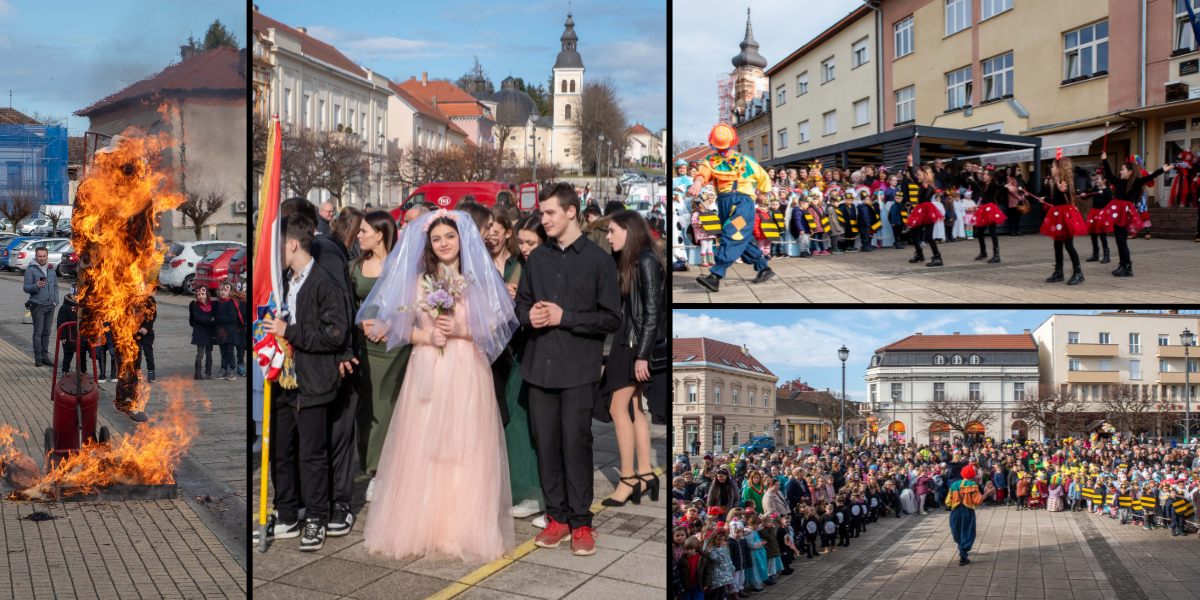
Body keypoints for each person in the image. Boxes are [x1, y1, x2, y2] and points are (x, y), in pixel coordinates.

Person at [356, 209, 518, 563]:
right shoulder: (416, 282)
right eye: (437, 239)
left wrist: (459, 330)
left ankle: (461, 525)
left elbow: (494, 331)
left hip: (466, 368)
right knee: (424, 442)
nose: (444, 243)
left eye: (450, 237)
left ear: (462, 239)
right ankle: (425, 522)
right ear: (428, 244)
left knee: (465, 444)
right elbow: (400, 330)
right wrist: (428, 334)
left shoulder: (477, 280)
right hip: (428, 365)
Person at [516, 183, 621, 556]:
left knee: (576, 446)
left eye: (550, 213)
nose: (543, 220)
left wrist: (566, 318)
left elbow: (611, 318)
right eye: (541, 213)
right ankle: (557, 518)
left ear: (572, 211)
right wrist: (527, 315)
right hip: (538, 368)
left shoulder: (599, 260)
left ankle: (580, 523)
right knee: (546, 445)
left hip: (578, 370)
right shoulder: (537, 259)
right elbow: (520, 308)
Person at [259, 212, 352, 551]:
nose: (273, 253)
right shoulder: (283, 280)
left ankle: (316, 517)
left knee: (312, 455)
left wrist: (291, 331)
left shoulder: (324, 281)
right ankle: (287, 514)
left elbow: (336, 334)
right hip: (281, 380)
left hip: (312, 382)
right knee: (281, 451)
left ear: (293, 244)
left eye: (277, 246)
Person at [599, 210, 665, 507]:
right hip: (631, 342)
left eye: (613, 231)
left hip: (633, 345)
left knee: (616, 407)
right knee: (636, 408)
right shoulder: (632, 259)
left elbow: (653, 314)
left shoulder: (647, 262)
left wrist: (642, 356)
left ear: (629, 231)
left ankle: (627, 479)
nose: (609, 236)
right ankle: (646, 474)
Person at [350, 211, 410, 504]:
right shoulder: (355, 267)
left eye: (363, 231)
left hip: (394, 348)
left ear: (380, 234)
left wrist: (392, 323)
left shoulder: (403, 267)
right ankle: (371, 464)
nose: (358, 235)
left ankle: (380, 473)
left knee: (387, 408)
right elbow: (347, 306)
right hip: (364, 347)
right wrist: (359, 322)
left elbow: (413, 305)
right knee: (367, 410)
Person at [688, 124, 774, 292]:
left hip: (743, 205)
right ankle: (764, 268)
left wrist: (762, 194)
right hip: (724, 203)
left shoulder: (746, 161)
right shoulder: (711, 161)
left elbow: (763, 177)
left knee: (732, 234)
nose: (722, 152)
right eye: (719, 148)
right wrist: (697, 183)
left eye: (724, 148)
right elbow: (703, 174)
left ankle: (716, 275)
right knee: (742, 240)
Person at [1100, 151, 1168, 276]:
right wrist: (1104, 160)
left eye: (1123, 169)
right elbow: (1109, 174)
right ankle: (1122, 264)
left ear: (1130, 171)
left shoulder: (1135, 183)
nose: (1120, 171)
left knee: (1121, 240)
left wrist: (1162, 169)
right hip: (1116, 213)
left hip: (1124, 213)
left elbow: (1149, 178)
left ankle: (1127, 268)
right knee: (1118, 240)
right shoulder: (1119, 182)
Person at [1035, 155, 1090, 285]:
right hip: (1058, 215)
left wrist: (1063, 190)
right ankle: (1059, 272)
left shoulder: (1066, 183)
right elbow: (1055, 201)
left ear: (1060, 169)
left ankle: (1078, 272)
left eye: (1053, 167)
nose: (1051, 169)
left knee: (1069, 245)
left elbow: (1067, 192)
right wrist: (1045, 199)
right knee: (1057, 244)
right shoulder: (1055, 182)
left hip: (1065, 217)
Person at [903, 156, 945, 267]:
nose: (917, 176)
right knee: (913, 234)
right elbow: (912, 175)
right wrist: (911, 163)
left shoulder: (929, 187)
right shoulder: (920, 183)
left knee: (928, 236)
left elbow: (926, 196)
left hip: (928, 212)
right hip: (920, 211)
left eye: (920, 175)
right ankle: (920, 255)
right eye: (918, 174)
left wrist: (926, 185)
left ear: (926, 176)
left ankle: (937, 258)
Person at [24, 246, 59, 367]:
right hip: (37, 305)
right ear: (36, 256)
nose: (42, 258)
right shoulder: (31, 270)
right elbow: (26, 288)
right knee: (38, 332)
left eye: (44, 256)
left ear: (47, 256)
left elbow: (55, 286)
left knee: (47, 332)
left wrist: (56, 300)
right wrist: (36, 286)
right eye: (40, 256)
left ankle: (45, 356)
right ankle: (38, 357)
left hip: (50, 305)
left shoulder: (51, 268)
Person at [947, 463, 982, 565]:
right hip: (967, 511)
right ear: (972, 475)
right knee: (967, 532)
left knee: (957, 531)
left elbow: (948, 502)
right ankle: (963, 556)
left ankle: (962, 550)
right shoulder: (973, 486)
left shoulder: (954, 485)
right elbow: (978, 501)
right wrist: (988, 494)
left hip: (956, 511)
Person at [973, 165, 1008, 263]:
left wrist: (1005, 185)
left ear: (991, 176)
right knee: (979, 233)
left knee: (992, 232)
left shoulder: (992, 185)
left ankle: (996, 255)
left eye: (986, 174)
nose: (984, 176)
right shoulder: (984, 185)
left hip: (990, 210)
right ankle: (983, 252)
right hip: (984, 210)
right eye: (984, 174)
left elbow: (998, 185)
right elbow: (976, 178)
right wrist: (975, 171)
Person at [56, 285, 87, 375]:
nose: (77, 297)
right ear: (70, 295)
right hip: (69, 335)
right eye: (75, 296)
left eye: (79, 296)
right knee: (68, 355)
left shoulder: (83, 306)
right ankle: (65, 371)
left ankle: (83, 372)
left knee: (82, 354)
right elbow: (61, 322)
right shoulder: (65, 307)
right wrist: (62, 336)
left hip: (81, 335)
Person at [213, 282, 239, 380]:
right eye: (221, 290)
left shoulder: (231, 303)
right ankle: (223, 369)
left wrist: (219, 319)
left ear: (230, 292)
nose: (223, 292)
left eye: (225, 290)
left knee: (230, 351)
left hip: (230, 332)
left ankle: (231, 370)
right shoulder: (219, 302)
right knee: (223, 352)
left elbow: (232, 317)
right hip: (221, 332)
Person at [188, 287, 215, 380]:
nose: (200, 297)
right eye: (198, 295)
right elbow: (197, 317)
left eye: (202, 294)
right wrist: (210, 320)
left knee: (209, 353)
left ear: (207, 294)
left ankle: (208, 371)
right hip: (199, 332)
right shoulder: (195, 305)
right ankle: (198, 372)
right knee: (200, 353)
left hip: (210, 332)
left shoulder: (213, 304)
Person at [133, 296, 156, 383]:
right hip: (135, 332)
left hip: (147, 333)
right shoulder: (133, 299)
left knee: (148, 351)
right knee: (136, 352)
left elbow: (153, 315)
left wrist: (146, 327)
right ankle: (137, 371)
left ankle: (151, 371)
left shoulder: (150, 299)